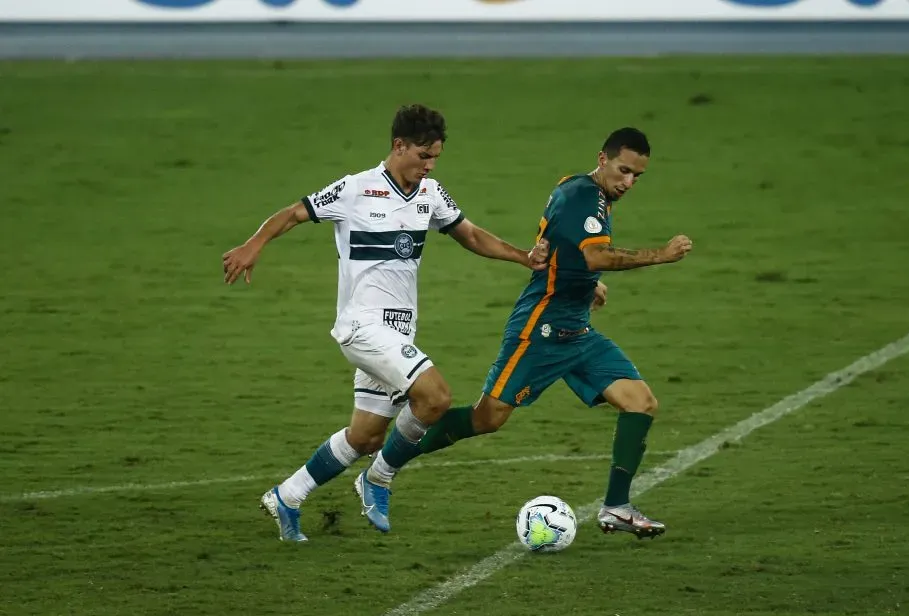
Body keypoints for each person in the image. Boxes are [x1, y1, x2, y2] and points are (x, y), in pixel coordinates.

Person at [222, 104, 549, 541]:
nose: (429, 166)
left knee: (365, 437)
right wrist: (254, 243)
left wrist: (523, 257)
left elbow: (470, 234)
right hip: (363, 327)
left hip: (397, 332)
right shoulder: (356, 189)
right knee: (436, 398)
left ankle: (287, 496)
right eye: (423, 156)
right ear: (399, 146)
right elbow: (294, 212)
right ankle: (378, 479)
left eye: (435, 158)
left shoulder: (431, 193)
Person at [362, 127, 693, 538]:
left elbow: (565, 247)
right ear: (602, 159)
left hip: (577, 329)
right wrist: (660, 255)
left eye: (637, 176)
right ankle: (383, 467)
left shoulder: (583, 191)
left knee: (640, 403)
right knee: (486, 418)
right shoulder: (582, 196)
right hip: (541, 329)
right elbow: (594, 256)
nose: (628, 182)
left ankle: (616, 507)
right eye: (623, 171)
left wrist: (586, 286)